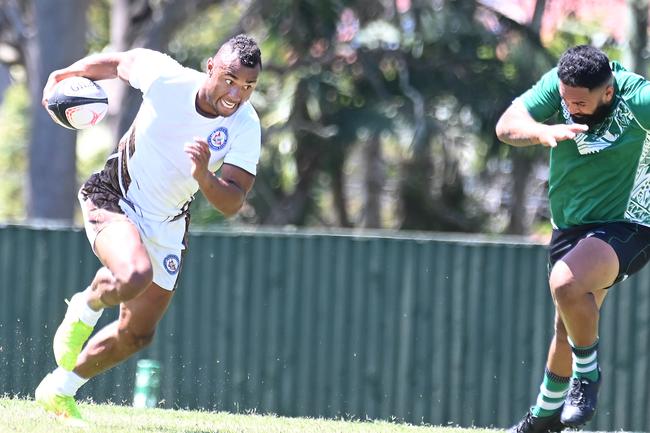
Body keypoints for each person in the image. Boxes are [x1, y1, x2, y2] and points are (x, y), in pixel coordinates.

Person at [34, 34, 262, 426]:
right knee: (134, 274)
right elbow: (118, 63)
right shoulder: (166, 78)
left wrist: (204, 176)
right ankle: (86, 305)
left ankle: (59, 389)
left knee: (137, 335)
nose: (236, 93)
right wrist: (67, 72)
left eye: (247, 86)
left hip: (169, 223)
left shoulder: (245, 124)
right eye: (230, 79)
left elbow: (232, 201)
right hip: (114, 196)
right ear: (210, 67)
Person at [496, 45, 650, 433]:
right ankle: (544, 418)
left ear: (609, 92)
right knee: (567, 326)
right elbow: (506, 126)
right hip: (571, 226)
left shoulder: (639, 98)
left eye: (580, 103)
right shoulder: (560, 83)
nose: (571, 108)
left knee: (566, 284)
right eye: (567, 101)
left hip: (630, 222)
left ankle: (588, 377)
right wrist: (540, 131)